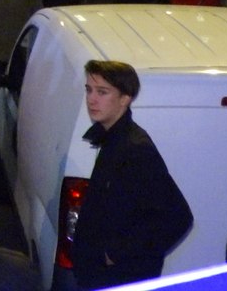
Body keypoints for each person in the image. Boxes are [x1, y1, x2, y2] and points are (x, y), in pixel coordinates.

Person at [73, 61, 193, 290]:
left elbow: (178, 217)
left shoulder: (135, 150)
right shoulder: (112, 140)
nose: (91, 99)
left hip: (119, 279)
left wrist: (115, 254)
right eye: (88, 90)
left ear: (125, 98)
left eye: (102, 92)